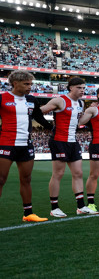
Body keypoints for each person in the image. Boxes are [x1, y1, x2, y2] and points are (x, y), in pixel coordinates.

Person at [41, 76, 98, 216]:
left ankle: (81, 206)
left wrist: (90, 111)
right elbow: (39, 111)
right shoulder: (59, 100)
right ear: (70, 87)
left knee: (78, 173)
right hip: (59, 141)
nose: (82, 90)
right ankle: (54, 208)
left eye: (84, 88)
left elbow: (79, 122)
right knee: (58, 174)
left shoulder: (80, 103)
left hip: (73, 141)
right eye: (79, 87)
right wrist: (47, 126)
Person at [0, 70, 52, 222]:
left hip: (26, 145)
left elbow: (39, 118)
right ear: (15, 84)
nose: (30, 87)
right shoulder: (2, 98)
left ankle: (28, 213)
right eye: (26, 84)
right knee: (1, 179)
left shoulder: (32, 100)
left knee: (26, 179)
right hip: (6, 144)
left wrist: (52, 128)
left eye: (31, 84)